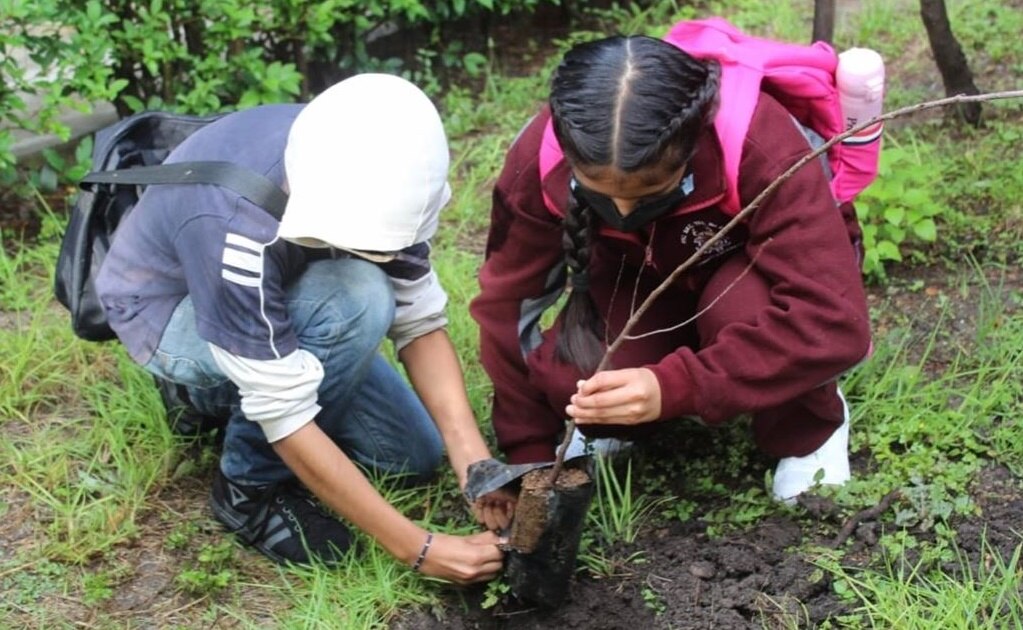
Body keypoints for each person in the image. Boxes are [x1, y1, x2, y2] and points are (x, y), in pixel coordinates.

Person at [95, 73, 514, 581]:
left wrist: (475, 464)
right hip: (169, 308)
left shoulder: (385, 159)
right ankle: (246, 489)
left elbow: (419, 321)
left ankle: (231, 392)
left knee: (410, 456)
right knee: (358, 296)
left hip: (283, 280)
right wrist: (418, 549)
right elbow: (283, 411)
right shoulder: (237, 225)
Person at [470, 35, 872, 503]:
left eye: (649, 192)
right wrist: (530, 453)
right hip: (645, 276)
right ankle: (646, 413)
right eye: (600, 194)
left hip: (744, 273)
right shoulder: (541, 158)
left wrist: (677, 386)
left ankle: (810, 428)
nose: (621, 208)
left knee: (744, 312)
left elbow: (837, 323)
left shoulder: (759, 140)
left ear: (692, 144)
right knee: (573, 377)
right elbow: (505, 309)